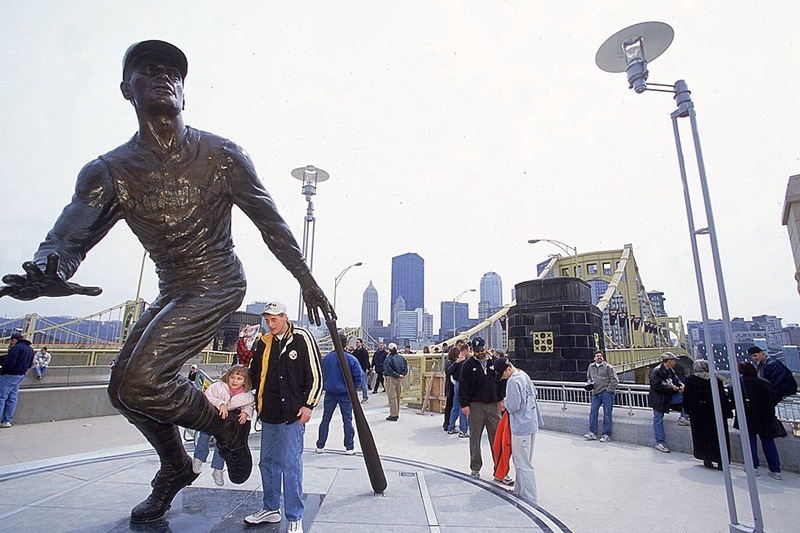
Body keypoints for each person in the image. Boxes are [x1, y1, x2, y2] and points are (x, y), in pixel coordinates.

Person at [0, 41, 333, 523]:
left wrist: (309, 282)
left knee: (141, 382)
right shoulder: (109, 171)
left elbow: (273, 224)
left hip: (218, 281)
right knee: (123, 390)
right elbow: (69, 236)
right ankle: (177, 465)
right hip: (174, 286)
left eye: (173, 73)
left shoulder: (222, 155)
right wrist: (48, 269)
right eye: (148, 70)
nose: (164, 78)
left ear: (185, 93)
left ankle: (225, 430)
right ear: (125, 90)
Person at [245, 302, 323, 531]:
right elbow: (254, 374)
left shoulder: (301, 337)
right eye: (267, 320)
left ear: (285, 317)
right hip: (268, 411)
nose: (270, 324)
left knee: (290, 464)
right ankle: (270, 508)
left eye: (274, 320)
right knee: (267, 462)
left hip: (292, 414)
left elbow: (316, 374)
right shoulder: (264, 342)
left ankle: (295, 515)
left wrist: (309, 405)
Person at [192, 365, 255, 486]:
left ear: (244, 381)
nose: (234, 381)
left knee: (222, 444)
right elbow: (207, 396)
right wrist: (220, 404)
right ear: (228, 377)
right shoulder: (218, 387)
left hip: (225, 420)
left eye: (239, 378)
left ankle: (218, 468)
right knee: (204, 435)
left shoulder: (246, 395)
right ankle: (198, 459)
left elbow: (249, 404)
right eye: (232, 377)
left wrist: (246, 412)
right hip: (212, 415)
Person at [495, 357, 543, 505]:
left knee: (522, 462)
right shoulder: (524, 375)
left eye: (502, 374)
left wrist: (505, 400)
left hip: (521, 426)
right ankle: (519, 490)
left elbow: (513, 406)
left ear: (508, 369)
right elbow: (534, 394)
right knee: (523, 460)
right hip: (531, 422)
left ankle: (529, 497)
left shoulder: (513, 381)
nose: (503, 378)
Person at [459, 336, 503, 478]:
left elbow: (501, 382)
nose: (480, 353)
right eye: (477, 351)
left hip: (493, 405)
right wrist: (464, 405)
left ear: (486, 347)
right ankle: (475, 467)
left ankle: (499, 469)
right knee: (475, 438)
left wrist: (501, 399)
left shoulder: (494, 362)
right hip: (475, 405)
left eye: (482, 350)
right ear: (472, 350)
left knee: (496, 438)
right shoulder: (468, 365)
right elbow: (463, 387)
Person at [735, 361, 783, 479]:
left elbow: (734, 398)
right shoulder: (765, 383)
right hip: (766, 416)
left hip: (748, 416)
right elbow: (774, 398)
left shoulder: (739, 383)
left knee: (750, 442)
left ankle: (753, 467)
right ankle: (775, 469)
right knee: (768, 442)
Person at [316, 333, 362, 455]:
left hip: (330, 393)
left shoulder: (326, 359)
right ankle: (349, 447)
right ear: (346, 344)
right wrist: (352, 389)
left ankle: (320, 445)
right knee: (347, 420)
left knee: (325, 419)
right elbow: (358, 377)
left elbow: (320, 375)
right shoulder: (351, 359)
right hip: (345, 394)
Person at [682, 359, 732, 470]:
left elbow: (686, 398)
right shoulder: (715, 380)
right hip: (715, 413)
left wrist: (689, 411)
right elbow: (722, 398)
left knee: (702, 436)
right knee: (718, 436)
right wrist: (727, 412)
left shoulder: (690, 380)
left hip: (698, 414)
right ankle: (721, 460)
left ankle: (706, 459)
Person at [649, 352, 688, 453]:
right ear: (669, 361)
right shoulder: (656, 371)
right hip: (659, 400)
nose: (675, 362)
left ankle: (683, 418)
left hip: (667, 397)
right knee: (658, 420)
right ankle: (660, 442)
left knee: (686, 397)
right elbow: (657, 387)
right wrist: (671, 388)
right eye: (674, 360)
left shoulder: (670, 370)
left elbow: (676, 380)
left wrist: (680, 385)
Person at [0, 333, 35, 428]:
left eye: (11, 341)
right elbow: (30, 364)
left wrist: (3, 372)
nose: (10, 343)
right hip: (20, 375)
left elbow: (9, 363)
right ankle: (7, 421)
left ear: (14, 340)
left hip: (9, 375)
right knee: (13, 398)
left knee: (1, 398)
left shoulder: (16, 349)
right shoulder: (30, 349)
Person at [584, 350, 619, 443]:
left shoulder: (608, 367)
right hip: (595, 393)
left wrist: (609, 390)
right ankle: (592, 432)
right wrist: (589, 384)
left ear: (603, 358)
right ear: (594, 358)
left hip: (606, 393)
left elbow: (615, 380)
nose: (599, 357)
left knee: (607, 414)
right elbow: (589, 377)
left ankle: (606, 434)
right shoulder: (591, 367)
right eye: (597, 356)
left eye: (600, 356)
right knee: (593, 412)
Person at [446, 344, 469, 437]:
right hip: (464, 385)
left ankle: (451, 427)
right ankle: (463, 430)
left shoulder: (457, 361)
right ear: (466, 350)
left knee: (455, 406)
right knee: (463, 407)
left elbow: (450, 371)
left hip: (456, 384)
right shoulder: (466, 362)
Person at [383, 342, 408, 421]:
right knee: (397, 396)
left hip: (391, 378)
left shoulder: (388, 358)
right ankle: (397, 413)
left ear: (389, 350)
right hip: (399, 379)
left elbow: (388, 369)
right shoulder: (401, 358)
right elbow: (405, 367)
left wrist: (396, 375)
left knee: (392, 397)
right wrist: (401, 375)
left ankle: (393, 414)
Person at [442, 347, 458, 431]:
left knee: (450, 406)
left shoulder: (449, 361)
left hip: (451, 386)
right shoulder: (449, 362)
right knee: (449, 406)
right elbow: (449, 371)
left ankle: (448, 423)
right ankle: (447, 423)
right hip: (450, 387)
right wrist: (456, 363)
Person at [352, 338, 370, 403]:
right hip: (356, 370)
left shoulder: (364, 351)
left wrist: (364, 370)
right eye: (356, 343)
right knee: (356, 384)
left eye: (358, 342)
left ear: (361, 343)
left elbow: (366, 361)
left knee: (364, 384)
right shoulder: (355, 351)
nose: (357, 344)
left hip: (362, 370)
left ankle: (365, 397)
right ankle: (354, 398)